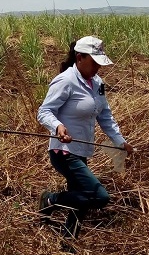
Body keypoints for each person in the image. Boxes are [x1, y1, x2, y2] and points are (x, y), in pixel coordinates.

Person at [36, 35, 133, 239]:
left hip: (81, 150)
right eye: (94, 63)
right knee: (98, 196)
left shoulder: (97, 82)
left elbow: (104, 114)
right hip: (63, 151)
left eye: (100, 63)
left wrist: (119, 141)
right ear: (79, 58)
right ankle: (51, 200)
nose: (98, 68)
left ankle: (68, 240)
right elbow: (44, 112)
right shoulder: (66, 80)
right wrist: (58, 126)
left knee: (81, 197)